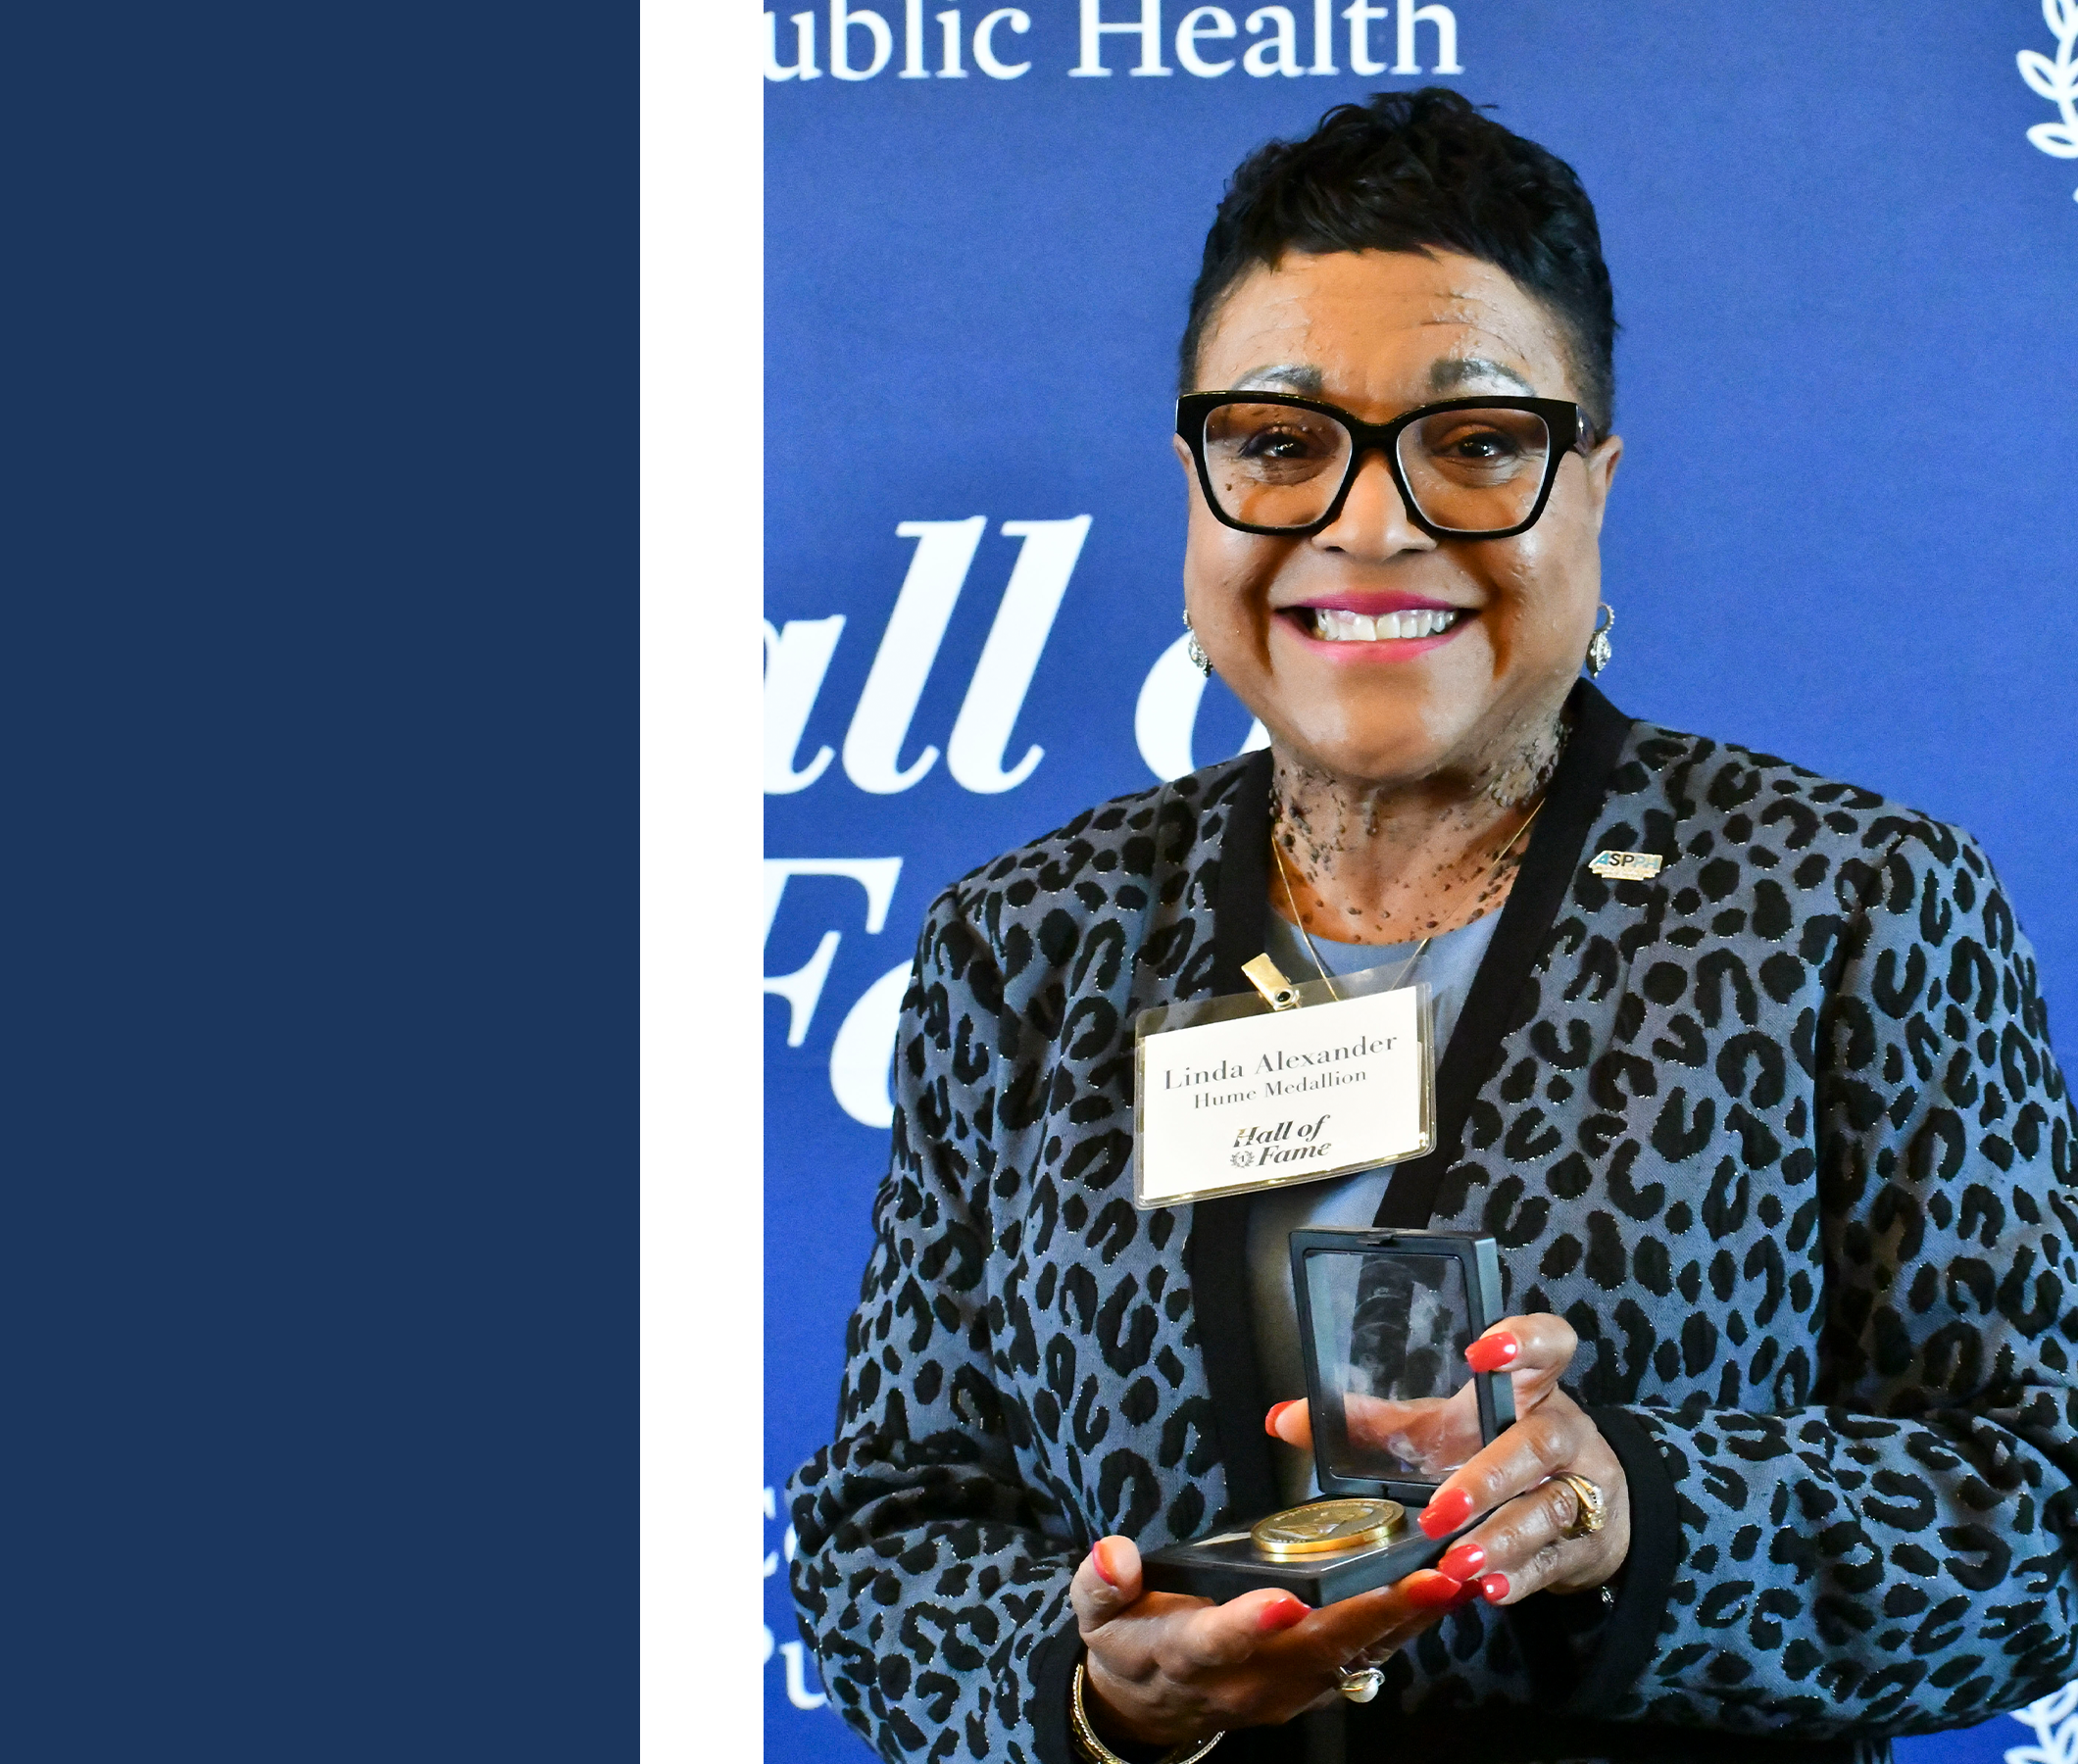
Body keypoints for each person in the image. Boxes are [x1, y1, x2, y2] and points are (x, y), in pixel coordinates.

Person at [787, 89, 2078, 1764]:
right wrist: (1097, 1688)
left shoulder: (1852, 901)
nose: (1371, 522)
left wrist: (1646, 1511)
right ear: (1194, 483)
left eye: (1475, 444)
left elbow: (2039, 1507)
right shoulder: (1023, 945)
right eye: (1278, 442)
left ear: (1593, 485)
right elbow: (893, 1531)